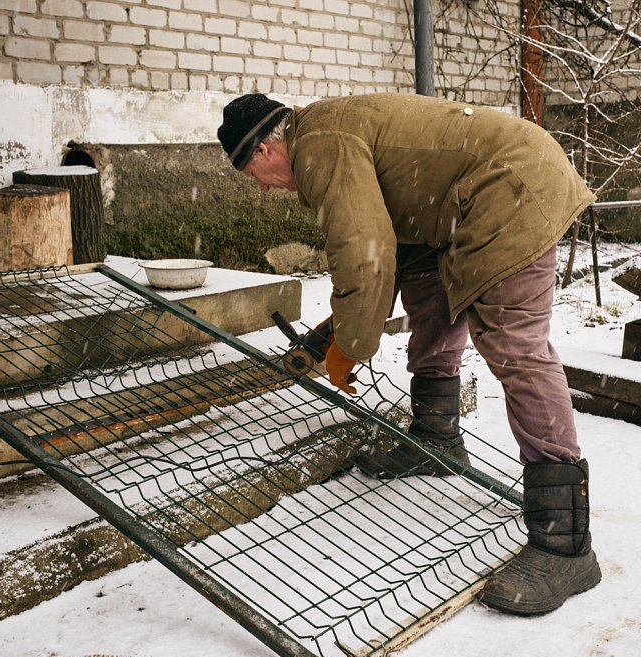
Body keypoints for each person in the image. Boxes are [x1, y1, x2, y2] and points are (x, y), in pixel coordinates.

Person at [217, 92, 601, 615]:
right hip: (461, 202)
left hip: (509, 188)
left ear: (262, 151)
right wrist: (340, 331)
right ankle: (437, 438)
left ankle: (565, 543)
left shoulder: (319, 145)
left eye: (252, 175)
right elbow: (389, 253)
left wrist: (350, 347)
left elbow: (363, 251)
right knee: (428, 292)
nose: (262, 189)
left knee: (515, 348)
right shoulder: (326, 133)